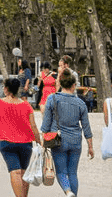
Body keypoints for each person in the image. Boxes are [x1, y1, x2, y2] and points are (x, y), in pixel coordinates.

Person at [39, 65, 95, 193]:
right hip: (75, 140)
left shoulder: (52, 99)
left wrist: (43, 139)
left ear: (61, 84)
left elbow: (46, 124)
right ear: (74, 85)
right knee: (73, 173)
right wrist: (90, 147)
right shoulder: (80, 103)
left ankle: (68, 192)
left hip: (58, 139)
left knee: (61, 172)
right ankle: (73, 194)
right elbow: (86, 127)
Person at [0, 75, 38, 197]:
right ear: (17, 89)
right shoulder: (27, 105)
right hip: (26, 143)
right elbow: (33, 126)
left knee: (15, 171)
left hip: (6, 142)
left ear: (6, 89)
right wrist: (39, 140)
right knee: (24, 172)